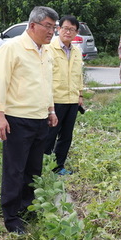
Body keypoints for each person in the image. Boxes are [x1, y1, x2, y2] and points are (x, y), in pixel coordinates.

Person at [0, 6, 59, 234]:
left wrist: (51, 110)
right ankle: (10, 215)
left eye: (53, 27)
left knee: (33, 168)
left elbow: (46, 83)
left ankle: (27, 208)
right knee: (14, 169)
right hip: (17, 119)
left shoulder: (45, 51)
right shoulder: (13, 48)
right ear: (32, 26)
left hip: (40, 119)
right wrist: (0, 115)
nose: (51, 32)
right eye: (48, 26)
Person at [44, 15, 84, 175]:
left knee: (66, 136)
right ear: (58, 29)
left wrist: (80, 95)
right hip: (55, 100)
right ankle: (43, 165)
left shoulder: (76, 51)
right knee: (49, 135)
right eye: (65, 28)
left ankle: (58, 166)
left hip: (72, 100)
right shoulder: (49, 49)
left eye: (72, 29)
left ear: (76, 32)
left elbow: (78, 75)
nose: (68, 32)